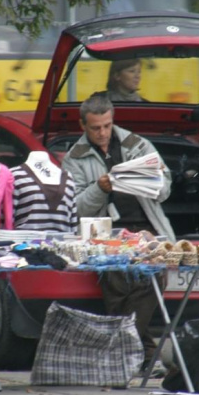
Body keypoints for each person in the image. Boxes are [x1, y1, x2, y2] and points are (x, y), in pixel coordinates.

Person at [62, 94, 174, 374]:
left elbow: (165, 189)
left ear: (113, 121)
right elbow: (74, 206)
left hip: (147, 228)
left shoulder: (137, 145)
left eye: (107, 126)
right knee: (117, 286)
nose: (102, 133)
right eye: (95, 128)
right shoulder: (74, 158)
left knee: (150, 279)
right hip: (105, 234)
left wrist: (148, 179)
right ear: (83, 126)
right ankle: (145, 355)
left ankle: (122, 351)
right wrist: (100, 188)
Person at [10, 151, 78, 232]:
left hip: (62, 243)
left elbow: (73, 222)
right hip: (24, 243)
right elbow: (6, 220)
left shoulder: (68, 177)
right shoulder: (14, 176)